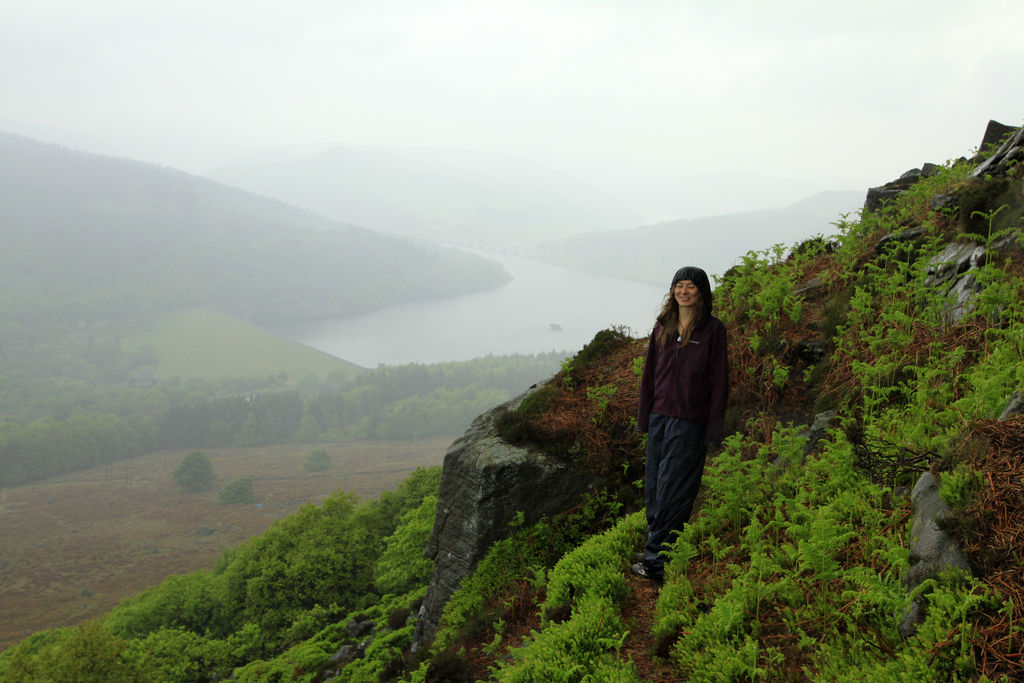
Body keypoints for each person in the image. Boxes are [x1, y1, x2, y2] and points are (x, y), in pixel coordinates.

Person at [633, 266, 728, 583]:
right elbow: (649, 375)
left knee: (674, 491)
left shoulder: (713, 330)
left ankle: (657, 564)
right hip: (660, 417)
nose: (684, 291)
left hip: (689, 422)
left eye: (691, 286)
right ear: (672, 290)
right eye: (679, 285)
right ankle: (655, 548)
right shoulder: (663, 326)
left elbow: (719, 383)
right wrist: (644, 418)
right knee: (655, 488)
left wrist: (712, 429)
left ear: (701, 292)